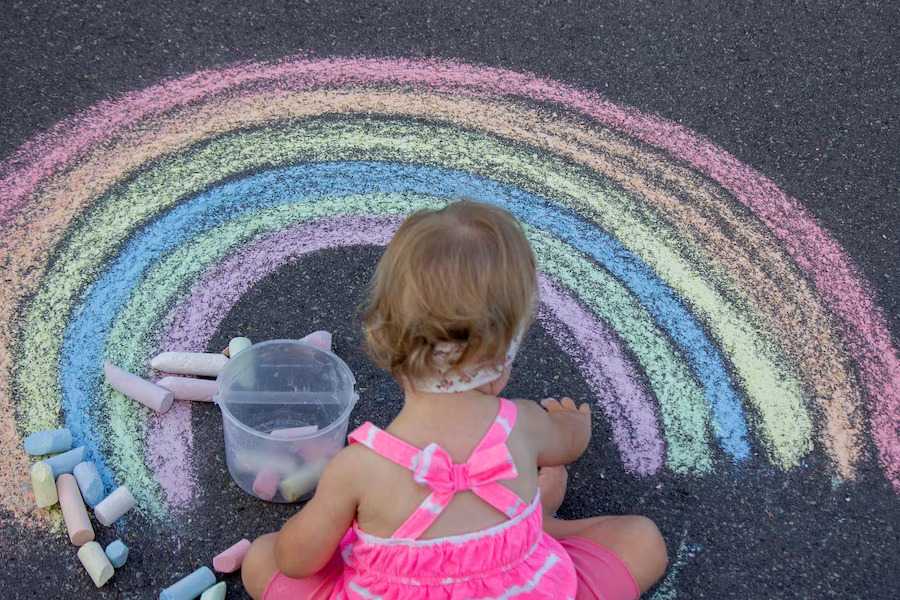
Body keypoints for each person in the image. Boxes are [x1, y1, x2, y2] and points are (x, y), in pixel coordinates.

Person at [242, 200, 668, 599]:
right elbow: (571, 443)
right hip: (523, 584)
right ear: (504, 356)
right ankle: (541, 525)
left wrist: (313, 530)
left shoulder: (358, 468)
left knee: (262, 558)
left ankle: (535, 524)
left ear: (383, 338)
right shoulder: (524, 424)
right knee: (642, 539)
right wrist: (575, 424)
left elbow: (297, 562)